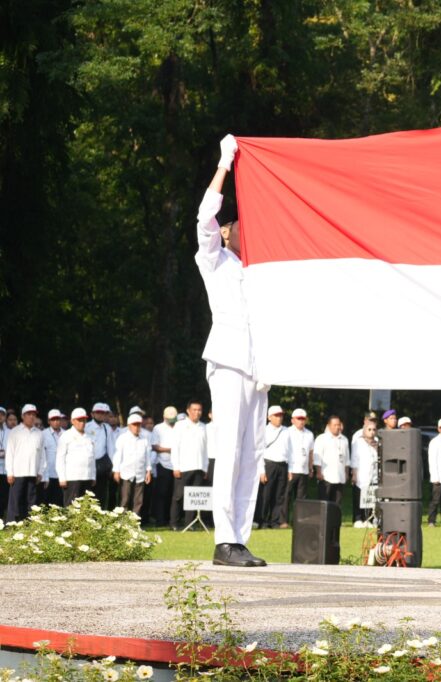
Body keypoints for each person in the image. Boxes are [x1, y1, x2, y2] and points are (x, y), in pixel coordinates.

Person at [196, 135, 268, 567]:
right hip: (227, 360)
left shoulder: (258, 272)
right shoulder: (214, 260)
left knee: (252, 453)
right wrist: (224, 164)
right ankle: (224, 538)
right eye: (238, 224)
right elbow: (204, 215)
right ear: (225, 231)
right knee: (230, 449)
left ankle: (239, 537)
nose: (245, 229)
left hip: (259, 367)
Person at [169, 401, 209, 531]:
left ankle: (189, 524)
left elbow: (206, 449)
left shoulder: (203, 427)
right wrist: (176, 466)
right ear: (188, 411)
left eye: (199, 410)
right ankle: (174, 523)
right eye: (194, 410)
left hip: (199, 466)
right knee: (178, 496)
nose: (197, 412)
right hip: (184, 467)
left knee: (193, 497)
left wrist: (205, 467)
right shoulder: (180, 425)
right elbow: (175, 447)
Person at [5, 405, 45, 522]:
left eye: (34, 414)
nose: (32, 417)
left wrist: (40, 471)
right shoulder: (15, 432)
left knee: (31, 501)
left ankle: (28, 524)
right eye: (29, 414)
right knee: (15, 501)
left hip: (33, 472)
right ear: (23, 416)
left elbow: (42, 455)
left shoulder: (39, 433)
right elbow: (10, 453)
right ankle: (12, 524)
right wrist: (10, 472)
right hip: (18, 473)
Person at [112, 413, 154, 515]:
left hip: (140, 473)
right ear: (129, 426)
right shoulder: (122, 438)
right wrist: (116, 471)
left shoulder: (144, 439)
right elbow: (118, 455)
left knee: (138, 501)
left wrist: (148, 471)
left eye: (138, 425)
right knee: (125, 499)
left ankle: (135, 521)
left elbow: (147, 456)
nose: (137, 427)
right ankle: (123, 521)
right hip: (126, 473)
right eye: (134, 425)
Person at [258, 405, 292, 529]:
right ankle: (262, 521)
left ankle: (275, 521)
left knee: (279, 495)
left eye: (281, 415)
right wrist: (261, 471)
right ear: (269, 417)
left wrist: (290, 469)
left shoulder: (286, 431)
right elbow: (259, 451)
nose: (279, 418)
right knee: (266, 494)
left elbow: (290, 451)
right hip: (269, 464)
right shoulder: (263, 430)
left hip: (283, 465)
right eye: (276, 415)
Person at [56, 408, 96, 505]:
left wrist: (93, 476)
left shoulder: (90, 436)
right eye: (79, 420)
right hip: (72, 477)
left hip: (87, 476)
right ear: (72, 421)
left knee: (86, 507)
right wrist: (62, 478)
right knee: (72, 507)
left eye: (84, 420)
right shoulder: (66, 436)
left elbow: (92, 457)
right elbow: (60, 458)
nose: (82, 423)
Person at [85, 402, 117, 510]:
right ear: (92, 414)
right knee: (88, 493)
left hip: (102, 465)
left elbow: (111, 448)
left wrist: (113, 466)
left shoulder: (107, 428)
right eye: (98, 412)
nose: (100, 415)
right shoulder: (87, 427)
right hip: (88, 464)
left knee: (101, 493)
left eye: (103, 413)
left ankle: (99, 515)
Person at [314, 416, 349, 511]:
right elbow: (317, 458)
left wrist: (346, 473)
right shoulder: (321, 438)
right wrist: (318, 472)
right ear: (329, 426)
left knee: (337, 503)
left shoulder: (344, 439)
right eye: (334, 425)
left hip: (340, 476)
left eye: (338, 425)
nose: (337, 427)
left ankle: (335, 519)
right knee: (324, 502)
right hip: (326, 476)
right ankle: (323, 519)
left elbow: (347, 459)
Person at [150, 407, 178, 526]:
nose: (172, 422)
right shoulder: (158, 428)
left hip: (177, 464)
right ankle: (160, 519)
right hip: (163, 463)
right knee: (162, 493)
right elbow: (154, 446)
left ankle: (171, 519)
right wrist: (170, 450)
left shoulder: (179, 427)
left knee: (173, 493)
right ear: (164, 417)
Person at [286, 408, 315, 518]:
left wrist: (311, 468)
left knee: (302, 498)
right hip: (291, 469)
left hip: (304, 470)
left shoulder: (309, 434)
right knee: (286, 496)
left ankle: (299, 520)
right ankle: (283, 520)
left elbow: (310, 452)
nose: (301, 421)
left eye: (303, 419)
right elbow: (284, 451)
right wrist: (286, 469)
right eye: (299, 418)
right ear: (292, 420)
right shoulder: (287, 432)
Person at [351, 420, 380, 527]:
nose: (372, 432)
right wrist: (354, 474)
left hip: (374, 475)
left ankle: (370, 519)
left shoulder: (377, 442)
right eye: (369, 429)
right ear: (364, 430)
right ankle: (358, 518)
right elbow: (354, 459)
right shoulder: (358, 442)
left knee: (371, 498)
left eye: (374, 430)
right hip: (361, 474)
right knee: (359, 497)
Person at [41, 409, 65, 506]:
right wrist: (44, 476)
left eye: (58, 419)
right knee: (46, 503)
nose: (56, 422)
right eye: (53, 419)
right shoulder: (43, 434)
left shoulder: (66, 434)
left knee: (60, 503)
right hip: (48, 474)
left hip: (62, 475)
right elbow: (42, 457)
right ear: (48, 421)